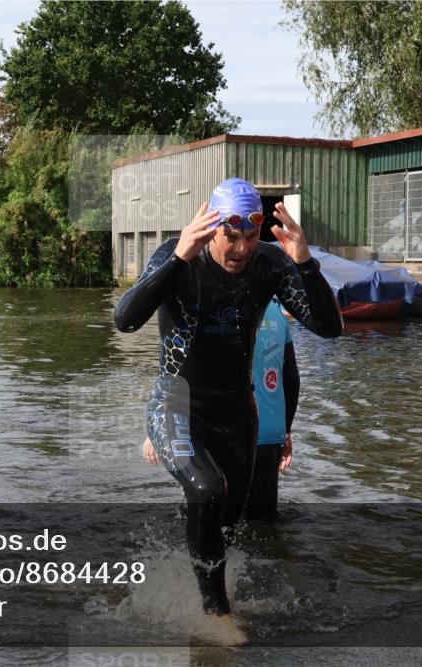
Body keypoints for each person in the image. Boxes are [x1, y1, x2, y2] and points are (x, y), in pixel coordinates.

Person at [114, 177, 341, 618]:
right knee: (206, 488)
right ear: (212, 227)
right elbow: (125, 320)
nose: (240, 249)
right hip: (175, 402)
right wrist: (179, 256)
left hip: (237, 410)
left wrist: (305, 262)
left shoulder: (269, 264)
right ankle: (216, 615)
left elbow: (330, 328)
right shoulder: (178, 256)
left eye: (250, 237)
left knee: (225, 523)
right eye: (230, 237)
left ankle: (192, 583)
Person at [143, 297, 298, 519]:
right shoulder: (275, 312)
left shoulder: (208, 309)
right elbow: (291, 378)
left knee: (208, 514)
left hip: (221, 430)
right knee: (262, 523)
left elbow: (183, 370)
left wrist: (159, 427)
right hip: (270, 433)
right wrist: (286, 430)